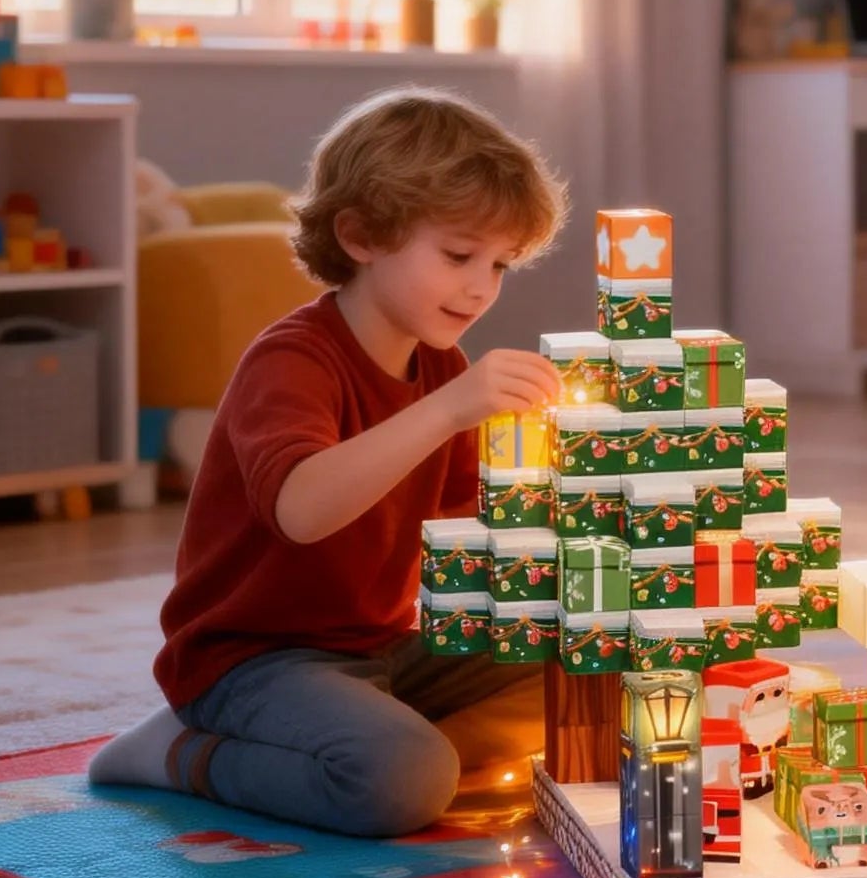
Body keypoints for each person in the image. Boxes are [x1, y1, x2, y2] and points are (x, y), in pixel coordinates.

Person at [90, 89, 567, 836]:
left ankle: (395, 750)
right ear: (361, 236)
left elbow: (474, 538)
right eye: (458, 255)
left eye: (501, 264)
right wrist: (448, 411)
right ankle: (183, 753)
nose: (482, 287)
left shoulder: (441, 368)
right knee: (398, 780)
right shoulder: (292, 361)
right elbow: (302, 510)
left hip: (380, 648)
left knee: (595, 657)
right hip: (250, 661)